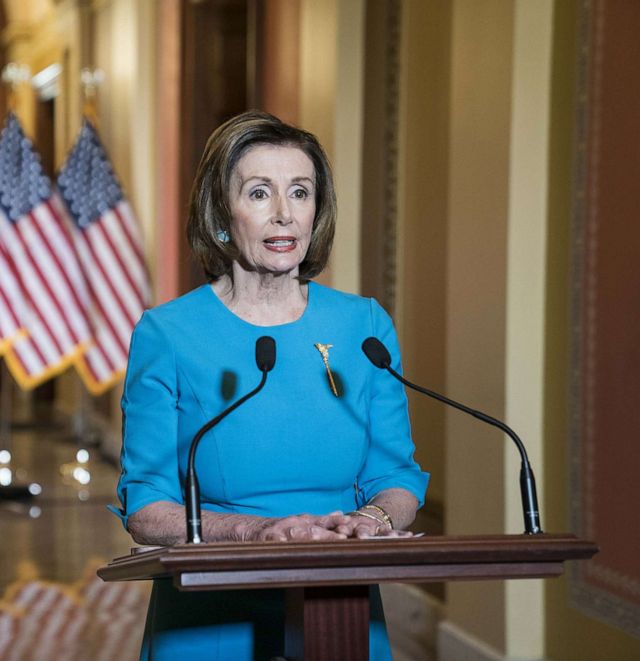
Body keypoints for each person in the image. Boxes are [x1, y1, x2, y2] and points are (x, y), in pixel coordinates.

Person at [110, 110, 429, 660]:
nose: (284, 214)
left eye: (300, 193)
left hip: (342, 611)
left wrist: (368, 523)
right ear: (220, 214)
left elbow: (397, 477)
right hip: (209, 621)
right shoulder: (168, 333)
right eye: (260, 193)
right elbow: (146, 505)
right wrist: (260, 533)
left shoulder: (365, 327)